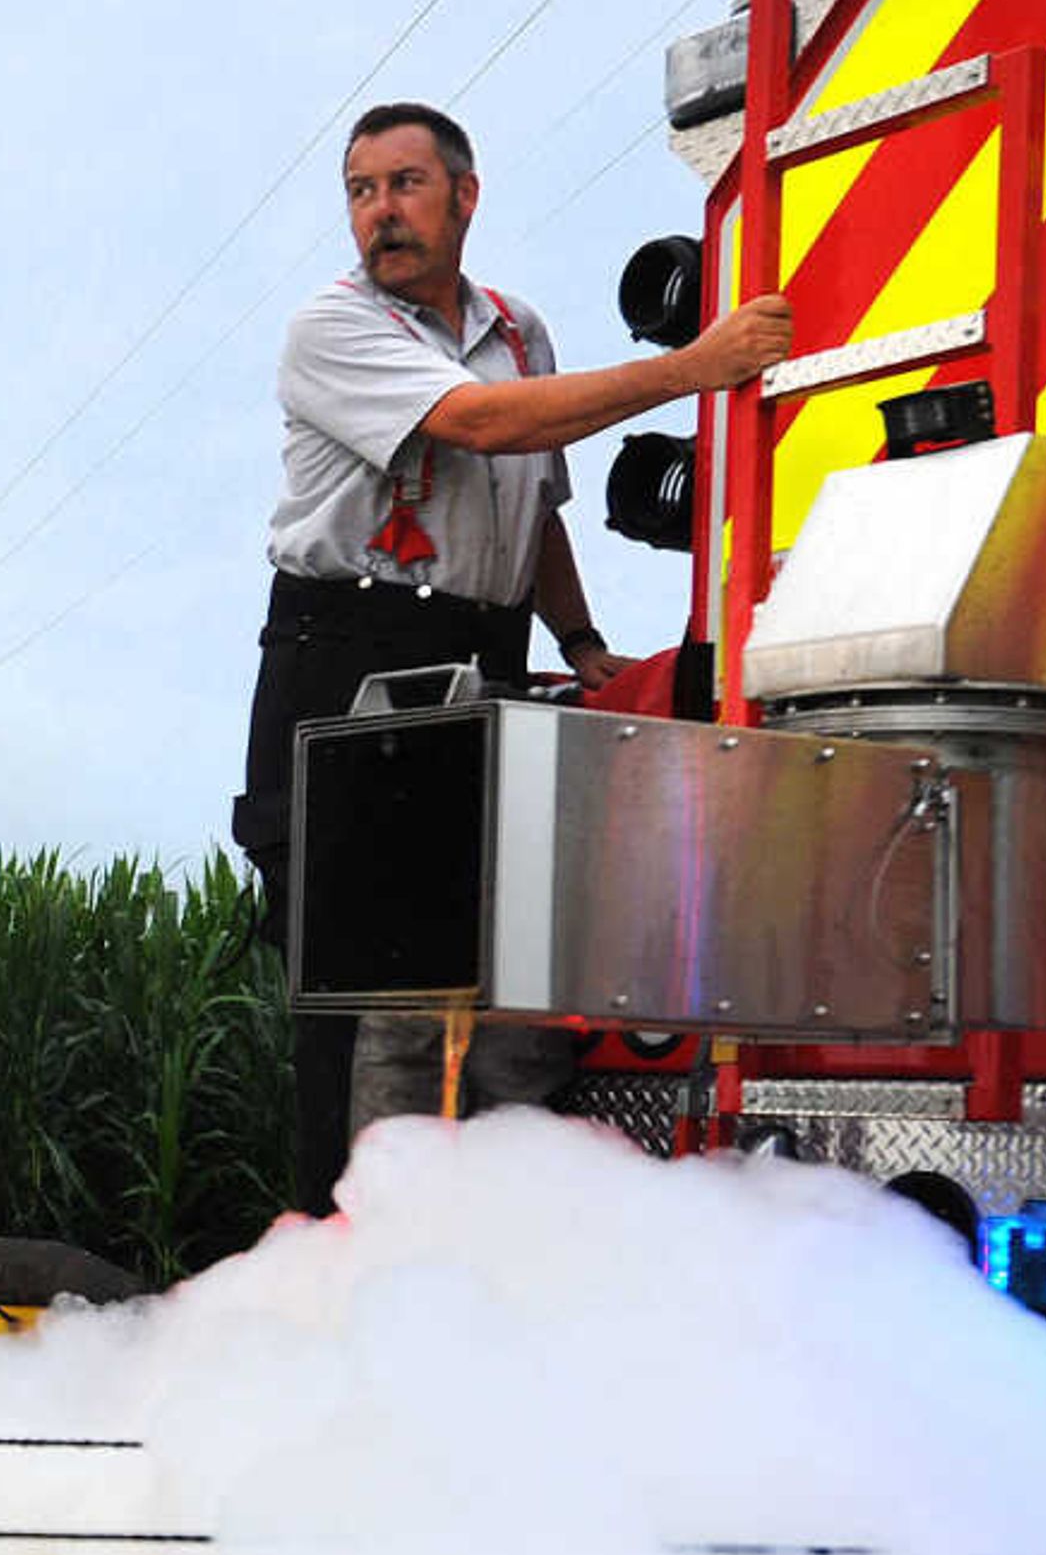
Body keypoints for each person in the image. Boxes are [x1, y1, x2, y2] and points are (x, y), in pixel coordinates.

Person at [235, 102, 790, 1213]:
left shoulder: (521, 331)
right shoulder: (332, 328)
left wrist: (579, 642)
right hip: (351, 670)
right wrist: (695, 368)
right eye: (360, 191)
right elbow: (487, 428)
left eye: (404, 185)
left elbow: (534, 510)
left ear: (464, 196)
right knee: (363, 1015)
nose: (380, 214)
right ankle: (336, 1289)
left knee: (506, 994)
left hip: (479, 665)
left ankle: (489, 1272)